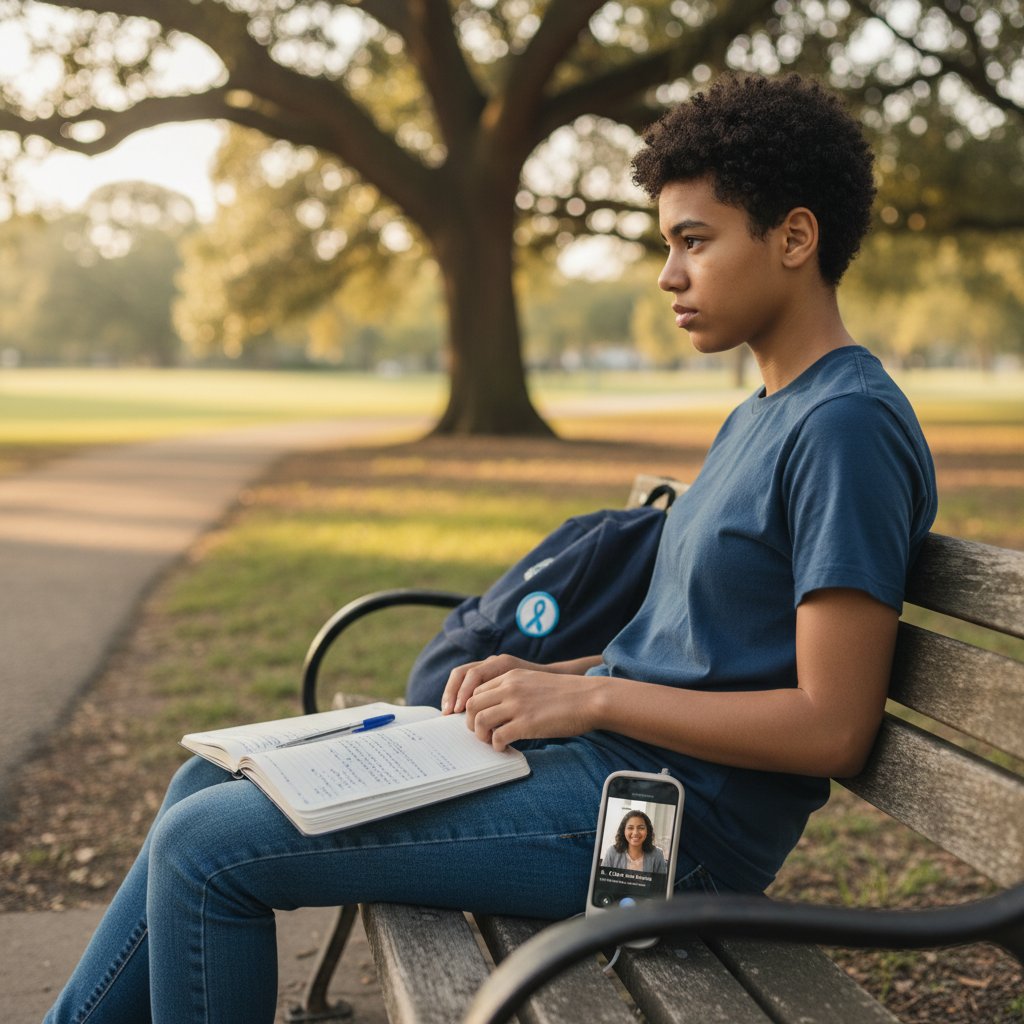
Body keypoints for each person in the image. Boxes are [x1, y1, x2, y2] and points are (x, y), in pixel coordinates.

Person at [45, 73, 936, 1024]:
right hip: (607, 766)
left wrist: (588, 692)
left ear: (794, 238)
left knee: (207, 851)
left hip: (668, 832)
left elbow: (831, 724)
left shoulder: (846, 427)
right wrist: (551, 678)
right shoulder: (762, 412)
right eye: (666, 244)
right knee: (201, 786)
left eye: (694, 241)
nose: (668, 274)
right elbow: (706, 653)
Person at [602, 810, 668, 873]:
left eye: (641, 828)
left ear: (648, 831)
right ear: (623, 830)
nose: (635, 833)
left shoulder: (657, 855)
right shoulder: (612, 852)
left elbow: (661, 883)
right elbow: (603, 881)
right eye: (630, 828)